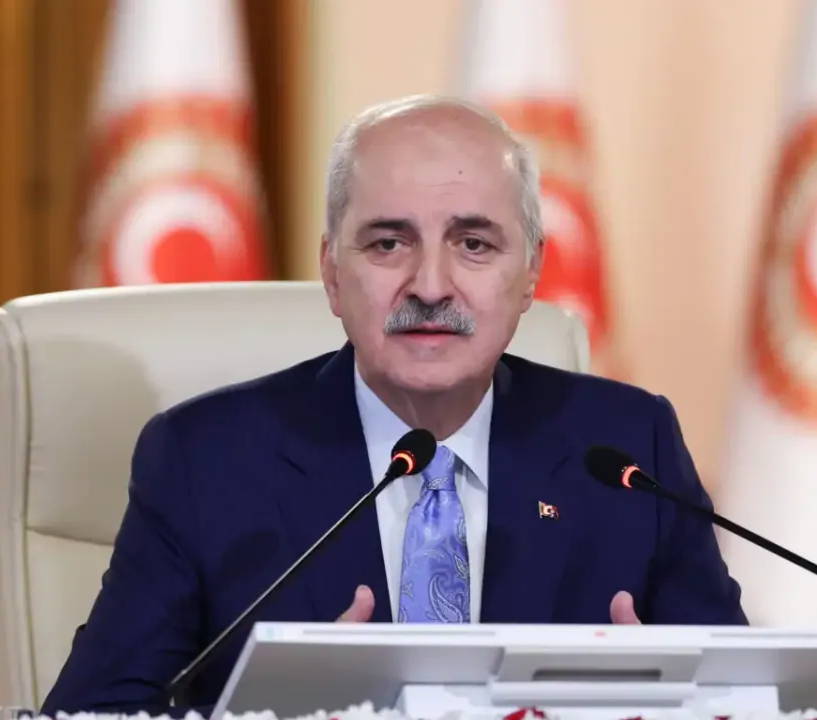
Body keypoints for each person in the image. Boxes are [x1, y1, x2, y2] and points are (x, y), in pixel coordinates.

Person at [40, 94, 747, 717]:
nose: (431, 285)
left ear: (530, 270)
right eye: (388, 243)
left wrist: (681, 710)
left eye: (474, 244)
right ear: (331, 272)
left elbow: (747, 702)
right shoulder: (204, 461)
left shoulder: (630, 452)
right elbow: (90, 716)